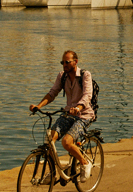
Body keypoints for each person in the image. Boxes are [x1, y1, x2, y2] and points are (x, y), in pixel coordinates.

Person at [29, 50, 96, 183]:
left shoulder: (85, 75)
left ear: (75, 62)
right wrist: (39, 106)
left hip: (84, 115)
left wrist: (78, 108)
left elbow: (87, 95)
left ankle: (84, 162)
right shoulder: (62, 76)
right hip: (68, 113)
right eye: (62, 62)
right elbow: (52, 93)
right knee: (49, 140)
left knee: (66, 142)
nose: (64, 65)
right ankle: (53, 172)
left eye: (67, 62)